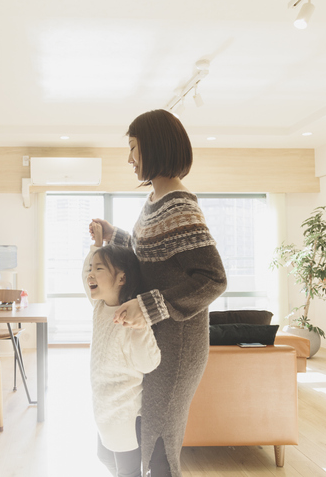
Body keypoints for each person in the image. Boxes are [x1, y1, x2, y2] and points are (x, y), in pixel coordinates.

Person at [90, 109, 227, 477]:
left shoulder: (180, 205)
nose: (130, 158)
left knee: (158, 445)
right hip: (155, 337)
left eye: (134, 148)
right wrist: (114, 235)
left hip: (177, 345)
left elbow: (212, 278)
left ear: (154, 147)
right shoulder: (156, 200)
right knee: (136, 436)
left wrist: (149, 306)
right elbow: (147, 254)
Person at [84, 222, 161, 477]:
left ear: (121, 278)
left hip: (125, 413)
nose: (90, 274)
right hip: (103, 405)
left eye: (99, 269)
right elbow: (86, 272)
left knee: (127, 472)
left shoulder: (133, 316)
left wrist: (139, 327)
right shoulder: (99, 307)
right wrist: (96, 246)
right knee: (102, 455)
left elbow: (149, 363)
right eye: (90, 269)